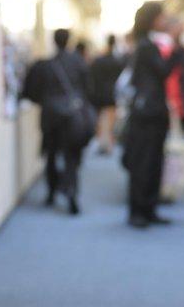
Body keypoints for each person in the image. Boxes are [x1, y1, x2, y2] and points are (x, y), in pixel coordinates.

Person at [123, 2, 184, 228]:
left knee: (154, 160)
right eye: (162, 17)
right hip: (147, 113)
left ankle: (148, 208)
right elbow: (163, 71)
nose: (165, 20)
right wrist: (176, 47)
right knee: (144, 161)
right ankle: (138, 210)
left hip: (154, 110)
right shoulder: (146, 46)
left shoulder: (147, 44)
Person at [21, 29, 94, 215]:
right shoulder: (78, 62)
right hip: (72, 117)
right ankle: (71, 192)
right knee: (71, 156)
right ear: (69, 41)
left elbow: (31, 92)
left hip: (51, 115)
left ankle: (52, 192)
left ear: (53, 41)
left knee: (51, 154)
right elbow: (87, 89)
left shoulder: (46, 65)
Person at [88, 34, 126, 154]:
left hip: (99, 94)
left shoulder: (98, 61)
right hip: (111, 94)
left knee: (99, 119)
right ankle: (109, 143)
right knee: (110, 120)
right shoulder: (117, 61)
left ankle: (101, 142)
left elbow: (92, 77)